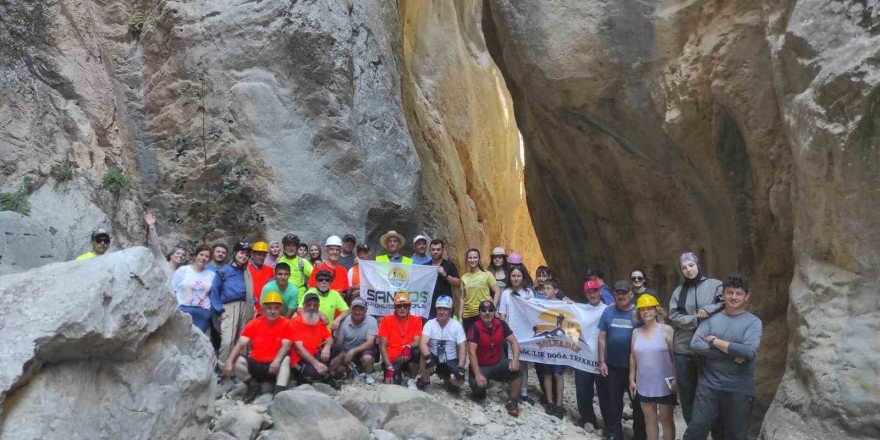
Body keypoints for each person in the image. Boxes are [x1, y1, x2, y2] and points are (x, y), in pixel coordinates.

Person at [683, 274, 762, 440]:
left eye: (739, 293)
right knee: (695, 432)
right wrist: (731, 354)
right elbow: (696, 343)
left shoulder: (753, 322)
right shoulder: (712, 319)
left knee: (735, 436)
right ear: (723, 294)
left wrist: (715, 341)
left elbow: (748, 351)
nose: (734, 297)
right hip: (708, 387)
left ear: (747, 296)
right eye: (729, 292)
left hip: (738, 389)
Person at [669, 252, 724, 426]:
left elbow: (724, 303)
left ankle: (716, 433)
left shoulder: (715, 285)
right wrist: (695, 319)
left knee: (712, 392)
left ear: (697, 265)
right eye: (684, 267)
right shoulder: (679, 291)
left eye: (691, 265)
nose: (688, 270)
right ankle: (693, 432)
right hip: (684, 349)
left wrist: (708, 310)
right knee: (687, 394)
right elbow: (674, 316)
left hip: (710, 348)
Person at [222, 292, 292, 402]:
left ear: (280, 309)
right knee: (235, 360)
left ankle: (279, 393)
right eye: (269, 308)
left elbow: (287, 345)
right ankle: (253, 385)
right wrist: (229, 362)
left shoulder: (286, 323)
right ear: (263, 308)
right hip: (257, 365)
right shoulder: (254, 324)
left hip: (275, 366)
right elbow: (240, 343)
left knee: (286, 359)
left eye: (276, 308)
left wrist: (277, 360)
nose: (273, 311)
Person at [598, 281, 646, 440]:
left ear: (631, 295)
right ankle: (614, 433)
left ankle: (639, 435)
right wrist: (602, 361)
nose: (621, 295)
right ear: (614, 294)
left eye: (624, 293)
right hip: (612, 366)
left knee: (638, 403)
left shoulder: (638, 313)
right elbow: (602, 337)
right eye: (618, 292)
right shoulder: (608, 312)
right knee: (613, 402)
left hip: (635, 369)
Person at [629, 295, 676, 440]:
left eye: (649, 308)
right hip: (644, 383)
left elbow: (676, 357)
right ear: (638, 313)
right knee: (649, 420)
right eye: (642, 309)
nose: (646, 312)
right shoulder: (636, 332)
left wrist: (677, 378)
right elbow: (632, 357)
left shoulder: (667, 330)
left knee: (666, 419)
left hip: (666, 383)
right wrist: (631, 378)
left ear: (656, 310)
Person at [467, 300, 522, 417]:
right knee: (479, 387)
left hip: (497, 364)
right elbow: (471, 352)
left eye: (490, 310)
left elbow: (514, 342)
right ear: (479, 313)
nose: (487, 313)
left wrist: (515, 360)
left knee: (518, 368)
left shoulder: (501, 324)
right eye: (484, 310)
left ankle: (514, 402)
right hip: (481, 366)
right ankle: (480, 393)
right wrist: (477, 374)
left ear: (494, 312)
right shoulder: (474, 328)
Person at [209, 241, 255, 365]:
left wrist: (254, 306)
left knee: (243, 341)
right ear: (235, 253)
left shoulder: (247, 272)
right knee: (228, 340)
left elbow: (250, 292)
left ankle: (238, 369)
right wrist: (220, 310)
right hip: (229, 307)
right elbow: (214, 291)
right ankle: (223, 368)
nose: (243, 256)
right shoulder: (225, 270)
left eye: (247, 255)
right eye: (241, 253)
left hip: (246, 308)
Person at [497, 265, 537, 405]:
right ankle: (514, 392)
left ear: (523, 277)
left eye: (518, 276)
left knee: (524, 363)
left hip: (526, 332)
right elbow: (502, 314)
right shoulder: (506, 293)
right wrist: (503, 331)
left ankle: (524, 392)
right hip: (511, 332)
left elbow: (534, 312)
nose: (515, 278)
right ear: (510, 277)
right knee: (514, 362)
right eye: (513, 276)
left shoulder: (529, 292)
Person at [575, 280, 610, 431]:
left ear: (600, 292)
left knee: (606, 393)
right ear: (585, 294)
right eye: (589, 292)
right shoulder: (579, 309)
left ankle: (610, 424)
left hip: (603, 358)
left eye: (595, 291)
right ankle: (588, 419)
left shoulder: (608, 310)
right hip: (583, 356)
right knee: (583, 391)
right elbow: (570, 327)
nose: (593, 294)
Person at [289, 292, 343, 387]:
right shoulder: (295, 323)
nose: (312, 308)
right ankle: (317, 375)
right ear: (304, 306)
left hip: (315, 355)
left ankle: (327, 373)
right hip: (299, 359)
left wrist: (327, 346)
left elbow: (329, 337)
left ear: (318, 307)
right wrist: (316, 364)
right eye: (309, 305)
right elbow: (299, 349)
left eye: (315, 305)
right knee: (317, 374)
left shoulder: (318, 321)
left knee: (339, 348)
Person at [536, 280, 571, 419]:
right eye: (544, 289)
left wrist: (568, 302)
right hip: (547, 344)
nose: (545, 291)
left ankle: (559, 404)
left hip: (560, 345)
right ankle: (550, 402)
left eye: (548, 288)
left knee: (558, 374)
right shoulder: (541, 303)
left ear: (556, 290)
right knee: (547, 373)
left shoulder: (563, 303)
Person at [418, 295, 467, 392]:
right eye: (439, 308)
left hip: (450, 360)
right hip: (434, 358)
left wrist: (460, 367)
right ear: (436, 309)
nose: (442, 311)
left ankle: (447, 378)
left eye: (445, 309)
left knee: (458, 383)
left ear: (450, 310)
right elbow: (423, 343)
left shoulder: (456, 325)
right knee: (423, 356)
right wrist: (428, 357)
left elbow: (462, 348)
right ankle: (426, 381)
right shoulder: (430, 324)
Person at [378, 292, 423, 388]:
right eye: (399, 306)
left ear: (409, 307)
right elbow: (382, 346)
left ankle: (412, 379)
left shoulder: (416, 320)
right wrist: (388, 366)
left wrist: (408, 346)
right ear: (394, 307)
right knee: (392, 385)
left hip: (408, 356)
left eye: (405, 306)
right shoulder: (385, 320)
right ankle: (396, 373)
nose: (402, 308)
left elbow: (417, 341)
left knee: (418, 351)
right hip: (392, 360)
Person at [329, 297, 378, 383]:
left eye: (361, 309)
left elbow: (370, 343)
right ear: (351, 309)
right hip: (346, 352)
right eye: (355, 309)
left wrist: (353, 351)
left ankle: (368, 374)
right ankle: (351, 370)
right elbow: (339, 343)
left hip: (362, 351)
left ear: (366, 310)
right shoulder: (343, 321)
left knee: (368, 358)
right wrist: (345, 356)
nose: (357, 312)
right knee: (338, 367)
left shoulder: (372, 320)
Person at [170, 244, 216, 332]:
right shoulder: (183, 270)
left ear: (209, 260)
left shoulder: (212, 275)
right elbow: (172, 290)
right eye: (201, 255)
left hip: (203, 312)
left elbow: (214, 295)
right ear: (195, 256)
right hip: (183, 310)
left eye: (207, 256)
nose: (203, 258)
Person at [459, 248, 500, 331]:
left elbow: (497, 291)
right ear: (467, 260)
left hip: (484, 312)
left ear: (479, 259)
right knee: (471, 341)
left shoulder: (486, 274)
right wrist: (460, 317)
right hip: (468, 315)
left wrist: (493, 308)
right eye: (470, 258)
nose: (472, 260)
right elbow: (462, 298)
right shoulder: (464, 277)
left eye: (475, 257)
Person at [425, 239, 461, 320]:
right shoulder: (425, 267)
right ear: (429, 250)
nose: (435, 252)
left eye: (438, 249)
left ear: (442, 250)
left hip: (445, 306)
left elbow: (458, 283)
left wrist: (445, 275)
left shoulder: (449, 265)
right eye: (433, 249)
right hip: (428, 308)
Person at [249, 241, 276, 316]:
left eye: (263, 255)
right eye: (259, 254)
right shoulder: (246, 268)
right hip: (249, 308)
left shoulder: (270, 270)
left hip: (264, 309)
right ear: (253, 255)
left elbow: (272, 289)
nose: (261, 257)